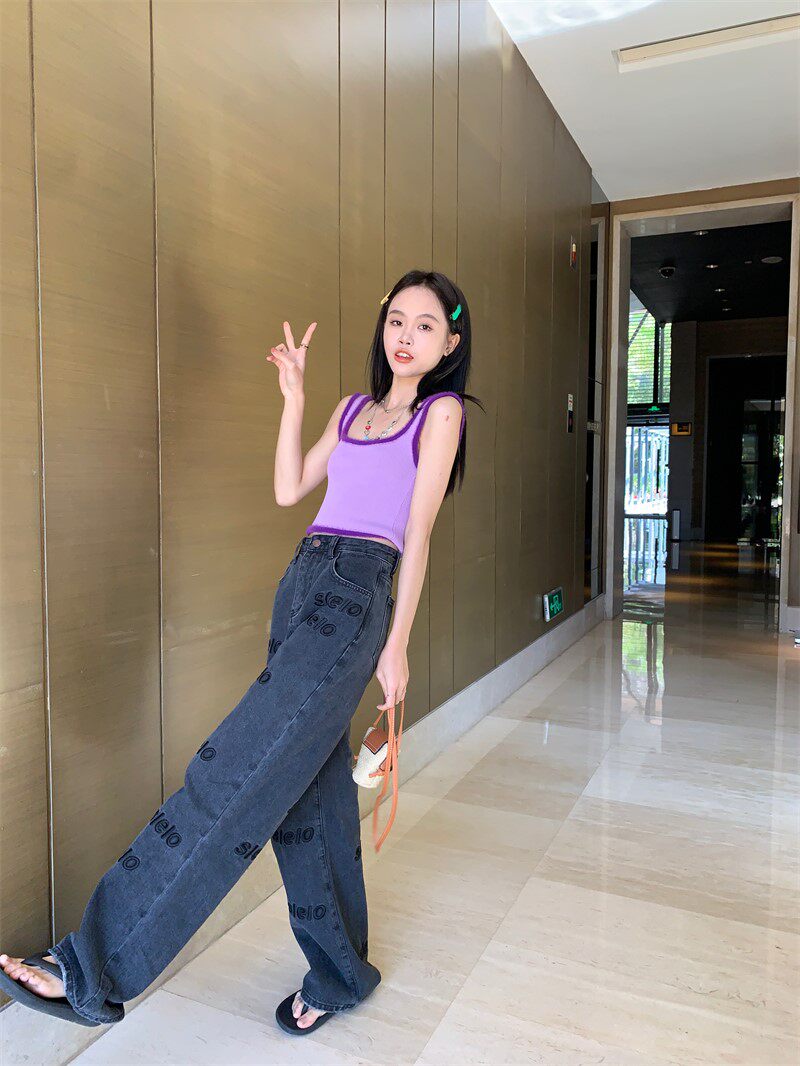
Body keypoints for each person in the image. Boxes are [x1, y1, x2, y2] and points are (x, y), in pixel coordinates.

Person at [0, 269, 476, 1037]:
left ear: (450, 343)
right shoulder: (350, 409)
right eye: (397, 319)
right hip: (303, 583)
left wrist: (398, 645)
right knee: (307, 796)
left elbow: (417, 536)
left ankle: (93, 968)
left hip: (356, 596)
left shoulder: (441, 412)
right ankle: (341, 974)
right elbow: (290, 489)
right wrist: (293, 397)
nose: (406, 335)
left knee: (233, 771)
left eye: (425, 326)